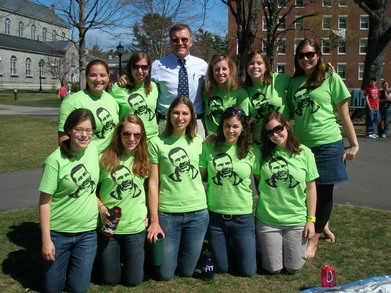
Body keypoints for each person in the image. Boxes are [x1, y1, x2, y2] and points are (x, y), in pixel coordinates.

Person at [287, 38, 359, 259]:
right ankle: (322, 224)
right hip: (302, 148)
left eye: (310, 54)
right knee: (303, 192)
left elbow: (344, 113)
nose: (306, 58)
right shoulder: (293, 83)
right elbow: (291, 116)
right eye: (301, 55)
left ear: (318, 55)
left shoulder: (331, 78)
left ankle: (314, 240)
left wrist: (354, 143)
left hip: (328, 144)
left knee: (325, 192)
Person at [147, 96, 209, 281]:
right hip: (168, 214)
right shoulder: (156, 142)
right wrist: (154, 220)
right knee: (165, 274)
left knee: (187, 272)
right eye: (176, 112)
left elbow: (203, 175)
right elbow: (153, 183)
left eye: (185, 113)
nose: (180, 117)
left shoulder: (200, 141)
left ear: (192, 117)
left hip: (197, 213)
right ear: (169, 114)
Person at [38, 108, 99, 293]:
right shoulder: (54, 161)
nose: (84, 135)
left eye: (89, 130)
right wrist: (46, 240)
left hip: (87, 233)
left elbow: (89, 189)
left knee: (79, 289)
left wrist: (102, 208)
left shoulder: (93, 150)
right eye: (79, 129)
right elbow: (44, 203)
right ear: (69, 130)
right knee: (52, 289)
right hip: (59, 233)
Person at [255, 111, 318, 274]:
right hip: (268, 220)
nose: (275, 135)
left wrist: (311, 220)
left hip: (296, 220)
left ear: (287, 126)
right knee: (273, 270)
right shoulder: (261, 153)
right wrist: (212, 138)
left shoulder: (305, 152)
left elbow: (311, 188)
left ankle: (284, 248)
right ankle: (263, 243)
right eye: (269, 132)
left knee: (293, 268)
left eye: (278, 129)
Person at [200, 107, 260, 277]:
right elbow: (202, 177)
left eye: (235, 126)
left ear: (243, 128)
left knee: (248, 271)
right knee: (222, 268)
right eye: (227, 126)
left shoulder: (252, 150)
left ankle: (237, 246)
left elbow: (261, 181)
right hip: (215, 218)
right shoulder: (209, 146)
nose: (231, 130)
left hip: (242, 217)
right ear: (221, 126)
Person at [98, 114, 149, 286]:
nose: (132, 139)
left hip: (135, 228)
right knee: (110, 280)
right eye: (127, 134)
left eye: (137, 135)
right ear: (119, 134)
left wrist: (148, 213)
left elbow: (151, 188)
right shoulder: (103, 158)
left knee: (133, 281)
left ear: (142, 136)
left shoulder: (144, 158)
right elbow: (89, 190)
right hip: (110, 228)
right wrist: (100, 207)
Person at [151, 24, 208, 136]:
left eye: (184, 39)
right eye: (175, 40)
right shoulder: (157, 66)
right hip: (167, 123)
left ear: (191, 42)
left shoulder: (202, 66)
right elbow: (142, 85)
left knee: (199, 153)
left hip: (195, 122)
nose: (180, 43)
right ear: (171, 43)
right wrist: (127, 78)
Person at [58, 59, 119, 152]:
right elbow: (63, 137)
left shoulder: (112, 100)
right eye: (93, 75)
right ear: (86, 77)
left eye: (102, 75)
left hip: (111, 160)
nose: (98, 79)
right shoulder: (71, 102)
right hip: (86, 161)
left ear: (108, 76)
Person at [244, 50, 291, 143]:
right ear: (246, 68)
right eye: (251, 63)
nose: (255, 66)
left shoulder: (278, 79)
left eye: (259, 63)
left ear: (266, 67)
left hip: (282, 139)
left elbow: (300, 83)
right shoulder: (245, 90)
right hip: (260, 141)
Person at [110, 52, 159, 139]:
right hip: (129, 140)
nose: (140, 71)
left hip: (151, 139)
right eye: (136, 67)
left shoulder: (153, 87)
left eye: (144, 67)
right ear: (130, 68)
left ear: (149, 68)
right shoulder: (118, 88)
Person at [203, 54, 248, 136]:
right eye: (217, 69)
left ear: (230, 70)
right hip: (210, 140)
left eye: (224, 69)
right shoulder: (206, 90)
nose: (220, 72)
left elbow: (242, 122)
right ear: (211, 71)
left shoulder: (240, 93)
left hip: (230, 138)